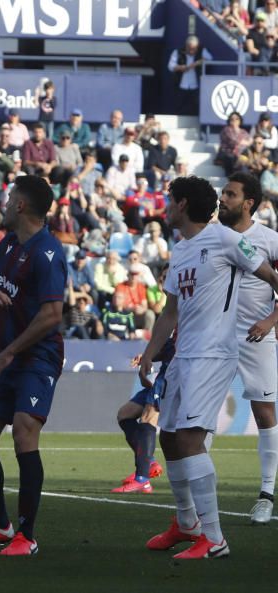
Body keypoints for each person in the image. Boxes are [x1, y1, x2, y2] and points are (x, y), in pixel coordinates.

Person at [138, 176, 278, 560]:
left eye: (169, 200)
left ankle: (214, 539)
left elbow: (271, 276)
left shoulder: (225, 239)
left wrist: (272, 318)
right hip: (183, 356)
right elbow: (170, 312)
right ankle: (186, 524)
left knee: (189, 440)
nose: (164, 207)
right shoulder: (180, 250)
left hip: (214, 355)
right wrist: (151, 352)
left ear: (182, 205)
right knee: (167, 437)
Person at [0, 175, 67, 556]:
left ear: (21, 206)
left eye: (9, 199)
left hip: (37, 357)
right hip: (4, 355)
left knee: (24, 432)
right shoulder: (6, 244)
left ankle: (27, 534)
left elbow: (52, 315)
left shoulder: (48, 252)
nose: (5, 204)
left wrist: (8, 353)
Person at [216, 172, 278, 524]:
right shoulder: (214, 237)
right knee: (202, 413)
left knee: (265, 413)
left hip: (257, 336)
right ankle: (197, 502)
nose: (222, 198)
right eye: (223, 193)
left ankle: (266, 496)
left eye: (230, 194)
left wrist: (271, 321)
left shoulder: (269, 239)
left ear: (248, 202)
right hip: (216, 338)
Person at [113, 340, 172, 493]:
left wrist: (149, 356)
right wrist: (147, 356)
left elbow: (176, 347)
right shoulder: (177, 323)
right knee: (125, 414)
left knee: (148, 419)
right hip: (163, 374)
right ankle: (149, 463)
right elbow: (169, 346)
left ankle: (142, 479)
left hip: (172, 376)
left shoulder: (183, 320)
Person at [168, 35, 211, 116]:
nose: (192, 51)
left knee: (196, 106)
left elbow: (209, 59)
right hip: (181, 85)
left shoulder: (202, 50)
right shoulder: (177, 52)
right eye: (190, 48)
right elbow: (170, 66)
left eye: (194, 49)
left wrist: (196, 63)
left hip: (196, 86)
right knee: (178, 106)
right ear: (186, 46)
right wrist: (181, 67)